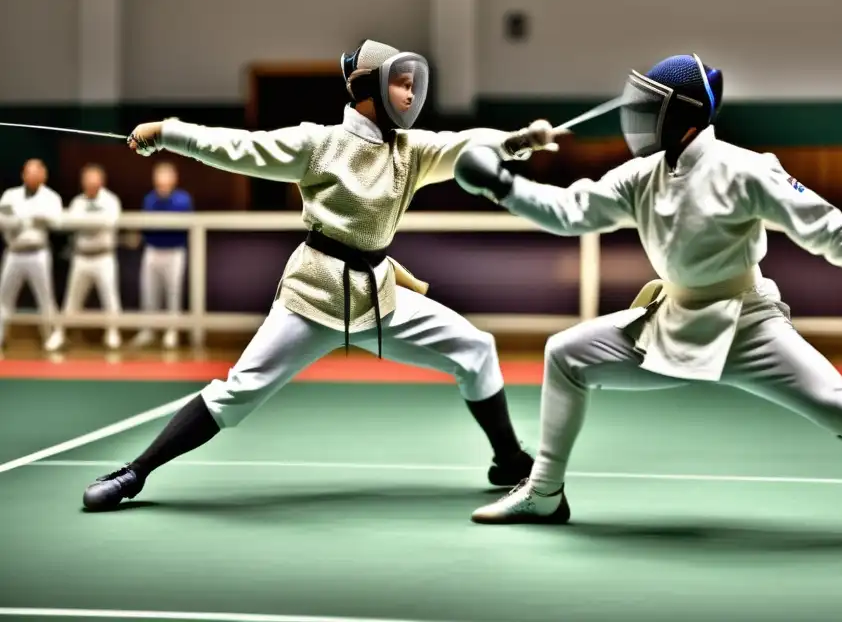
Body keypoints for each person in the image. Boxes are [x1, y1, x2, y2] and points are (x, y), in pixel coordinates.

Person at [453, 54, 842, 553]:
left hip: (748, 325)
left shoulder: (747, 168)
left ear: (686, 116)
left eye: (653, 108)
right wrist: (505, 186)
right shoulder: (642, 175)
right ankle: (545, 493)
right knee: (566, 354)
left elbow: (825, 230)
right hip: (668, 320)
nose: (640, 119)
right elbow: (572, 211)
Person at [81, 39, 558, 511]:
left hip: (379, 297)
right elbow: (238, 147)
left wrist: (516, 142)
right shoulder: (320, 143)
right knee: (236, 394)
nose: (412, 96)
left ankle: (508, 459)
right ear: (369, 87)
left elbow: (464, 146)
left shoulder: (411, 151)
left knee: (475, 347)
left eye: (415, 86)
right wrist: (168, 131)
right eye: (402, 85)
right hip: (313, 296)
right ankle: (134, 473)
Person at [49, 164, 123, 351]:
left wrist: (85, 222)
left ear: (101, 181)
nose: (91, 182)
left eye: (94, 178)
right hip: (81, 257)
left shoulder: (111, 200)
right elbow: (71, 223)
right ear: (82, 182)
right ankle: (60, 333)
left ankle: (113, 334)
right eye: (87, 179)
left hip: (104, 257)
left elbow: (108, 222)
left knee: (110, 298)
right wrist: (89, 222)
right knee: (71, 299)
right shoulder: (77, 202)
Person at [0, 159, 63, 352]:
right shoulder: (10, 195)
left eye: (37, 172)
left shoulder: (51, 197)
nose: (32, 176)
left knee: (45, 297)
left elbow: (57, 221)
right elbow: (2, 219)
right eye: (29, 172)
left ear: (44, 175)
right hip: (14, 252)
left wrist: (36, 217)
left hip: (38, 252)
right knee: (4, 297)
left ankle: (51, 337)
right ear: (23, 175)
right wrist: (18, 222)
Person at [131, 162, 193, 350]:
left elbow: (183, 223)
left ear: (174, 179)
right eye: (159, 176)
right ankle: (148, 330)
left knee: (173, 293)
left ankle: (171, 331)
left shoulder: (183, 199)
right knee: (149, 292)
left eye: (166, 176)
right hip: (152, 250)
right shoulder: (149, 199)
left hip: (174, 251)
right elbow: (147, 226)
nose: (162, 180)